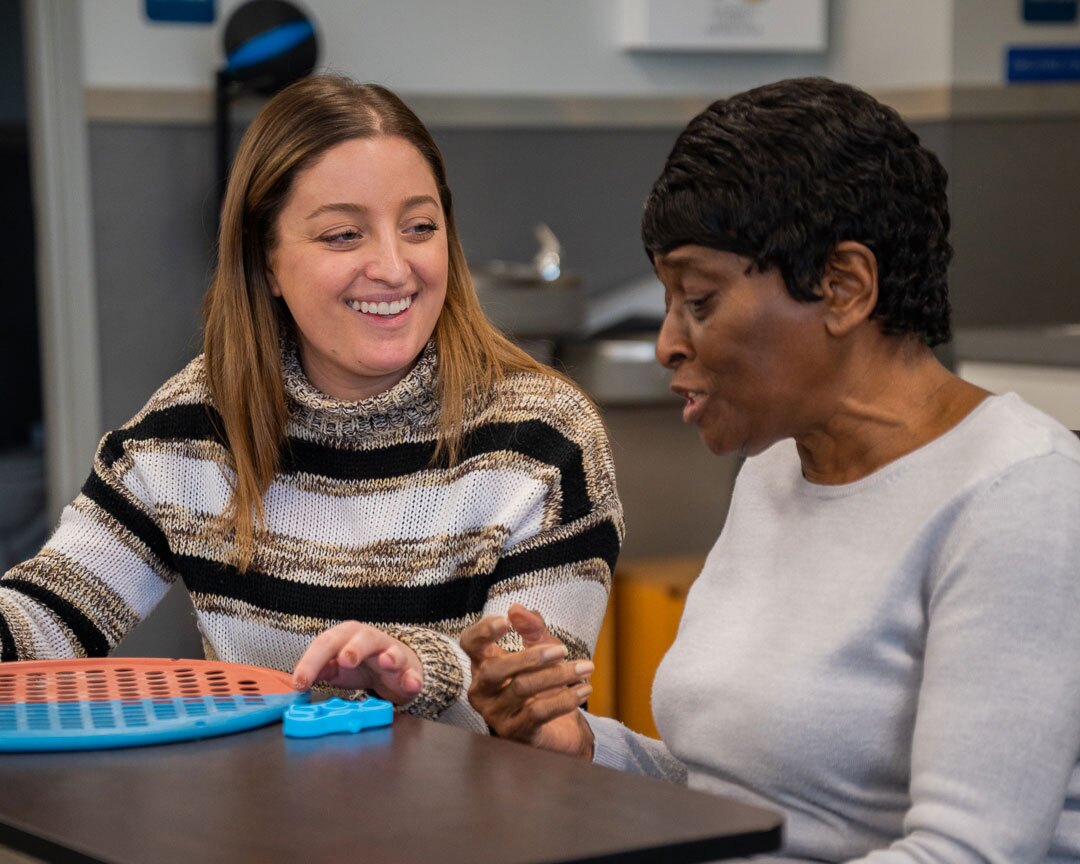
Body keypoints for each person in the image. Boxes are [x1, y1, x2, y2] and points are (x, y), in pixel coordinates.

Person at [462, 77, 1080, 861]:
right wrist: (579, 745)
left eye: (699, 299)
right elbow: (727, 794)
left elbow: (969, 854)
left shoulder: (1020, 496)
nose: (667, 344)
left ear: (843, 287)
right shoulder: (778, 468)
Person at [0, 74, 622, 732]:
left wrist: (414, 670)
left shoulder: (543, 436)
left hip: (483, 825)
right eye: (342, 236)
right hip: (267, 823)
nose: (392, 266)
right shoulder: (188, 432)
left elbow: (534, 698)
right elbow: (48, 613)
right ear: (266, 261)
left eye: (418, 227)